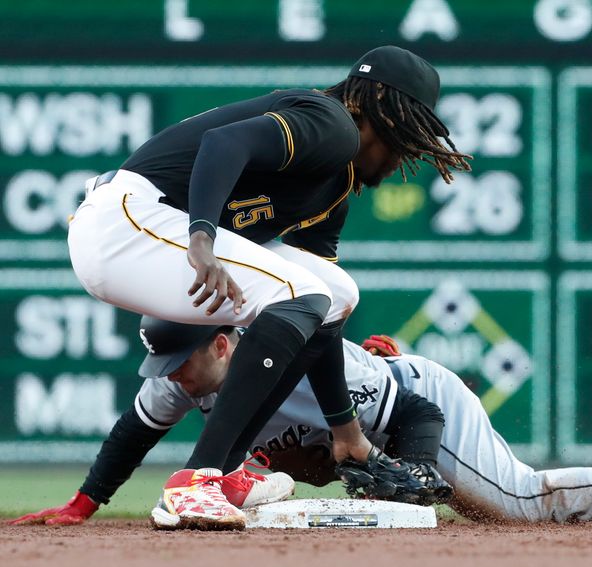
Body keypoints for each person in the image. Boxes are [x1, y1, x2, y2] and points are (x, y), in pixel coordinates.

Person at [66, 45, 471, 530]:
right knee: (304, 295)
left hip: (150, 228)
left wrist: (346, 430)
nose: (407, 154)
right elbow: (224, 144)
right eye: (410, 136)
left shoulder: (333, 188)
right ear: (386, 110)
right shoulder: (332, 123)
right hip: (126, 222)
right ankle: (198, 479)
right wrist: (201, 237)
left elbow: (319, 320)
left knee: (332, 293)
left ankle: (227, 471)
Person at [10, 321, 592, 528]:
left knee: (519, 500)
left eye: (178, 361)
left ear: (222, 343)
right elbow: (131, 432)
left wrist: (420, 477)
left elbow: (422, 413)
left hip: (419, 405)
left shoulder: (305, 362)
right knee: (246, 490)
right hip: (352, 445)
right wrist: (84, 502)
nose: (168, 379)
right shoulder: (186, 383)